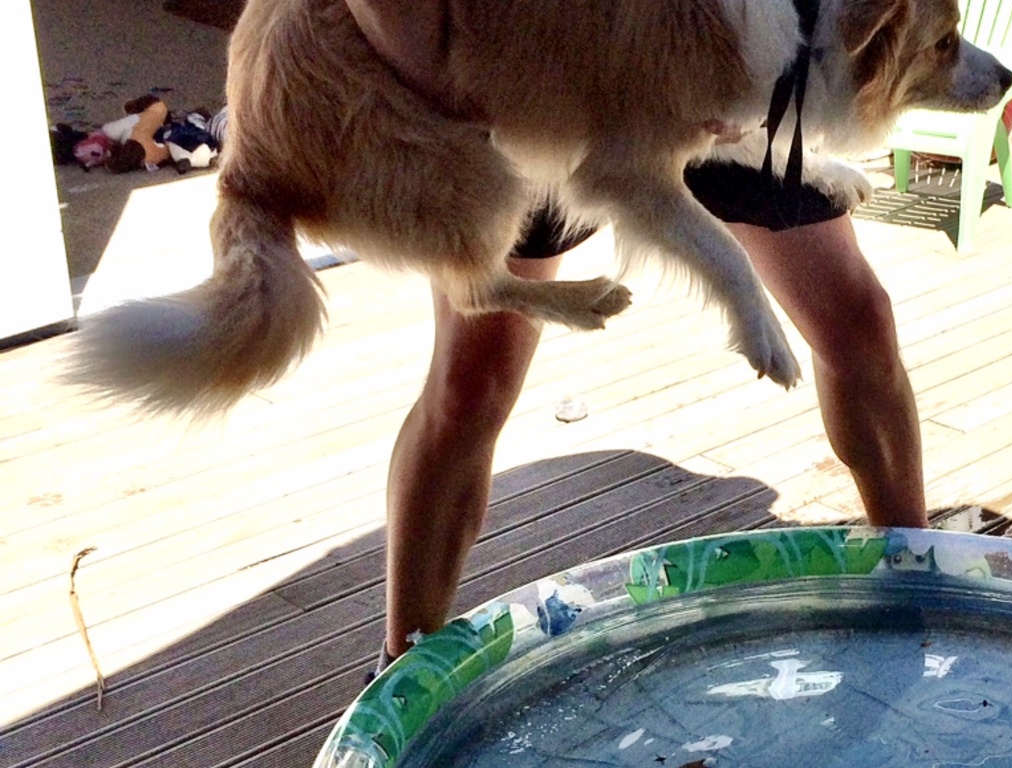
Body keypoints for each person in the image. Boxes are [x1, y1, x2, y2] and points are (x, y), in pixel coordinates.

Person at [342, 0, 930, 666]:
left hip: (730, 48)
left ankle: (920, 580)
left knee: (859, 325)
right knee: (469, 385)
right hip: (547, 74)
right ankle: (404, 670)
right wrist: (434, 81)